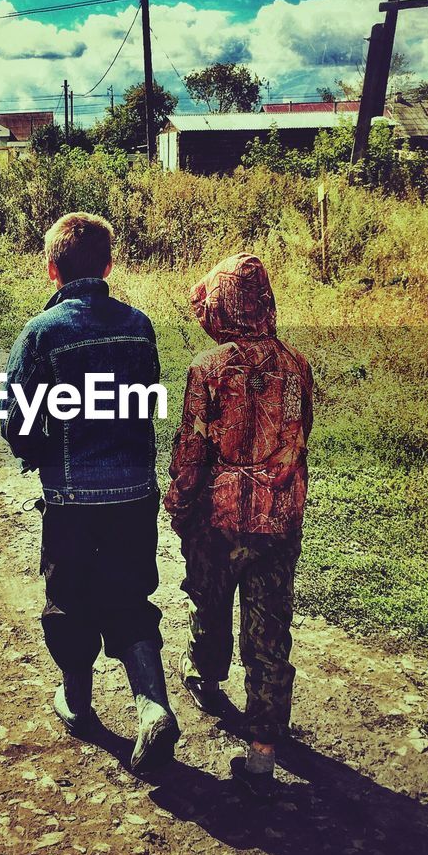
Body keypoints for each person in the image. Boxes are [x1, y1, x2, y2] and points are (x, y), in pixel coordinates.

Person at [0, 212, 180, 773]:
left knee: (70, 598)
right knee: (130, 597)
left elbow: (18, 421)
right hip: (133, 493)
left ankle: (77, 699)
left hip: (73, 500)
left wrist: (35, 453)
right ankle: (152, 706)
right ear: (109, 265)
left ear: (51, 269)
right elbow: (148, 400)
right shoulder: (140, 325)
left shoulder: (42, 333)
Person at [164, 253, 313, 798]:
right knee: (270, 628)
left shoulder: (208, 369)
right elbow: (300, 440)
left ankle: (205, 672)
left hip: (219, 518)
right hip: (277, 517)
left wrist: (179, 503)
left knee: (209, 598)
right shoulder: (296, 366)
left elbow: (191, 451)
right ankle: (264, 752)